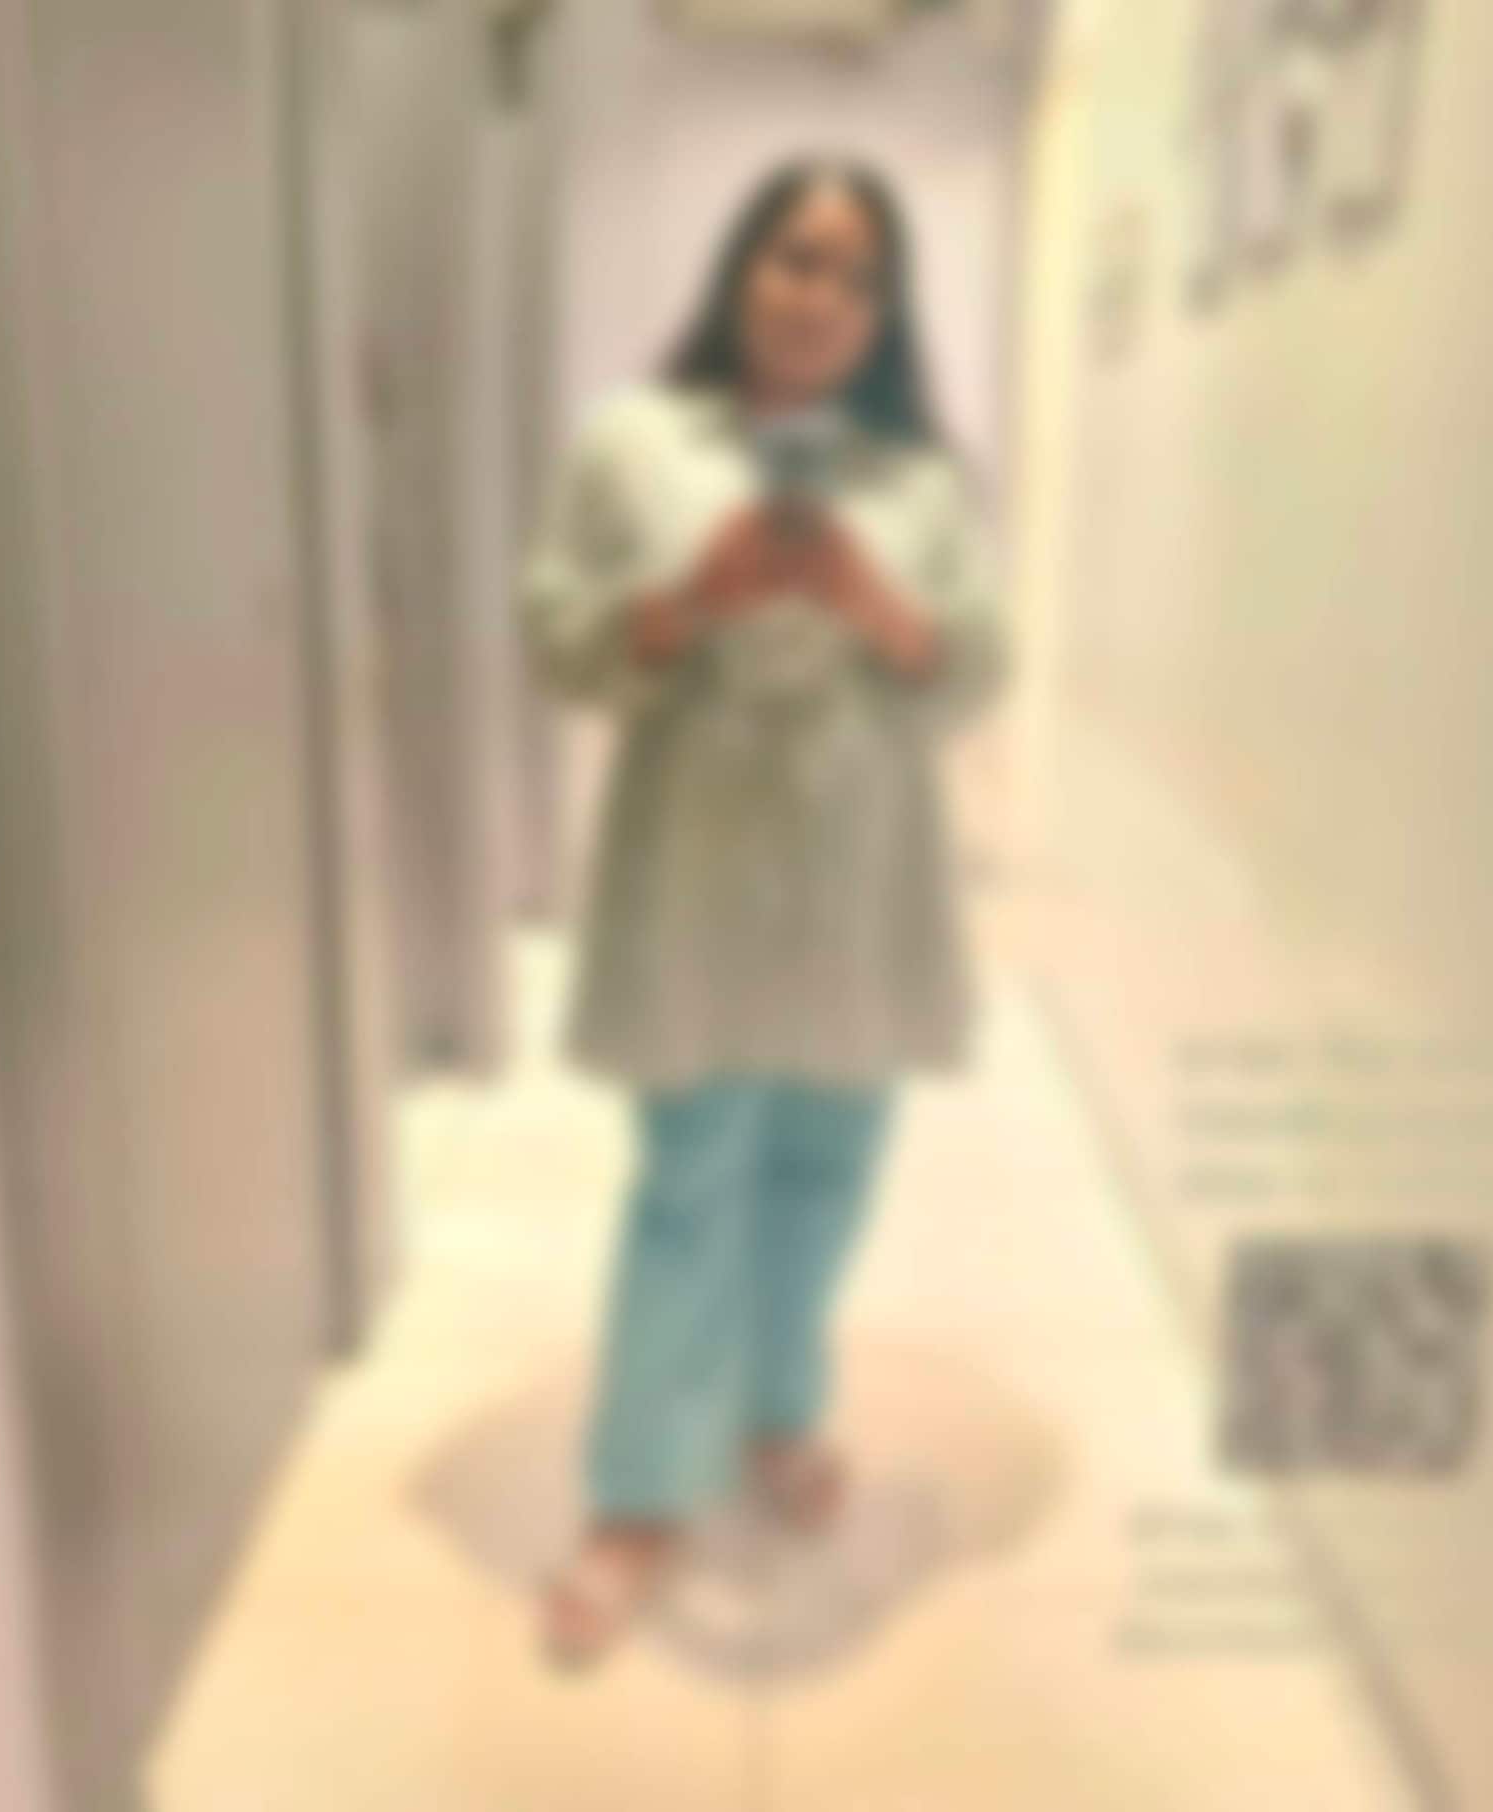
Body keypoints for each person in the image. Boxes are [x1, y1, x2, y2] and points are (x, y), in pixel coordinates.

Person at [520, 157, 1006, 1666]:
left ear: (887, 312)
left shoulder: (918, 478)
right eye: (798, 257)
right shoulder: (632, 442)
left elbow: (978, 671)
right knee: (691, 1178)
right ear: (741, 267)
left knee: (828, 1171)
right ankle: (639, 1495)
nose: (823, 299)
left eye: (861, 278)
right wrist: (689, 600)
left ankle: (777, 1413)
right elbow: (556, 640)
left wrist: (882, 608)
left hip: (863, 864)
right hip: (699, 863)